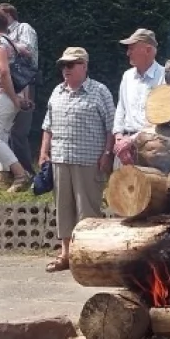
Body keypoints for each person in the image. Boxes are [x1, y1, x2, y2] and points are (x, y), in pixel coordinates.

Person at [39, 47, 115, 273]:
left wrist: (107, 154)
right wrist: (44, 152)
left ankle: (89, 256)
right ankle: (66, 255)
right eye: (63, 65)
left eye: (70, 65)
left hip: (88, 160)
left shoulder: (100, 91)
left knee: (88, 210)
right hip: (60, 159)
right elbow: (47, 125)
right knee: (63, 209)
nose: (65, 70)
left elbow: (112, 127)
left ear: (84, 65)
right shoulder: (57, 91)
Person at [0, 7, 33, 192]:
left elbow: (3, 71)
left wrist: (13, 98)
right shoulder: (10, 41)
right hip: (8, 94)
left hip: (1, 95)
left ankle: (20, 175)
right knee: (0, 134)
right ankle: (2, 176)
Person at [113, 28, 165, 167]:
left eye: (131, 48)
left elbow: (161, 120)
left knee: (149, 188)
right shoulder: (127, 76)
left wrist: (131, 141)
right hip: (123, 148)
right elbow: (121, 109)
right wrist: (119, 138)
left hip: (151, 147)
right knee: (120, 188)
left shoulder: (165, 77)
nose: (128, 53)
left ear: (147, 50)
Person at [0, 3, 39, 175]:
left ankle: (27, 172)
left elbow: (28, 50)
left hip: (24, 83)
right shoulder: (1, 35)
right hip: (7, 85)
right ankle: (10, 172)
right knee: (3, 130)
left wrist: (5, 44)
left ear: (8, 15)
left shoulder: (24, 28)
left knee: (19, 130)